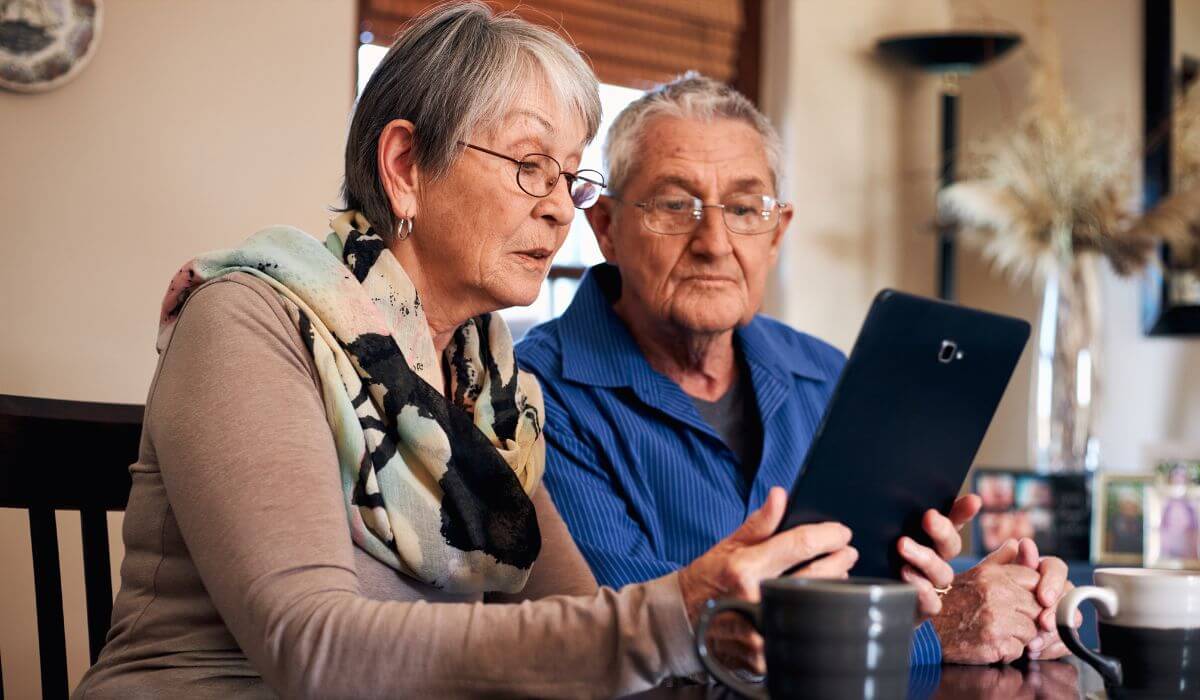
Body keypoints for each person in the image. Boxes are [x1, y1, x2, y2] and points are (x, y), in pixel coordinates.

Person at [70, 6, 898, 697]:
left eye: (570, 179)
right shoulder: (251, 319)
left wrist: (737, 623)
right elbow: (309, 647)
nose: (559, 213)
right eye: (530, 166)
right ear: (405, 168)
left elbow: (591, 628)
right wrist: (674, 613)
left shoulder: (489, 388)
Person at [517, 74, 1076, 671]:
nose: (714, 241)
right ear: (605, 228)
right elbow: (631, 635)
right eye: (676, 205)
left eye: (744, 208)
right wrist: (931, 627)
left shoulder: (826, 374)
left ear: (777, 232)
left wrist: (1009, 602)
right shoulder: (531, 393)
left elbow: (881, 576)